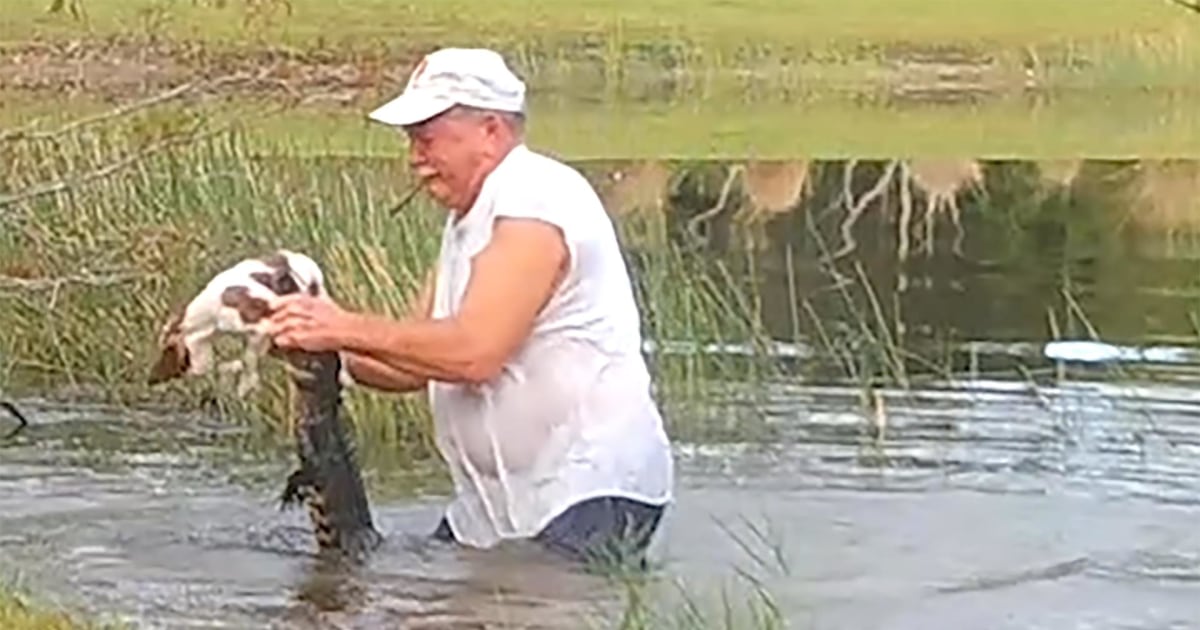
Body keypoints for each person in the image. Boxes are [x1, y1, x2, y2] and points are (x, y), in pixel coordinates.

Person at [263, 47, 675, 568]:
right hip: (496, 508)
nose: (414, 155)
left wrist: (341, 326)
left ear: (491, 130)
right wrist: (317, 352)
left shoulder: (535, 199)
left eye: (428, 137)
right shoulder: (470, 218)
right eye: (411, 139)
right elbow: (415, 361)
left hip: (590, 490)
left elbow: (475, 353)